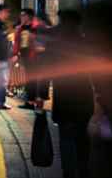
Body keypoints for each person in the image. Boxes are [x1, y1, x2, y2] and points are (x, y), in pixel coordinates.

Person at [44, 10, 95, 178]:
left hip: (63, 96)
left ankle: (68, 172)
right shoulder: (86, 43)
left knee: (65, 136)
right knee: (82, 134)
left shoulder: (54, 44)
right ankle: (84, 168)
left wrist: (41, 94)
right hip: (84, 95)